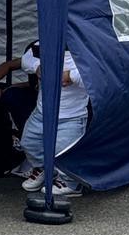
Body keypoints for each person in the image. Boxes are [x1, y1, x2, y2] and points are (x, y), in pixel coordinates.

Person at [17, 42, 88, 199]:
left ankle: (71, 183)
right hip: (42, 112)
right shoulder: (46, 41)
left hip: (72, 116)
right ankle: (44, 169)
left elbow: (98, 76)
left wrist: (70, 76)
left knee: (64, 151)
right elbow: (26, 59)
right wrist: (37, 67)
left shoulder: (85, 45)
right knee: (29, 143)